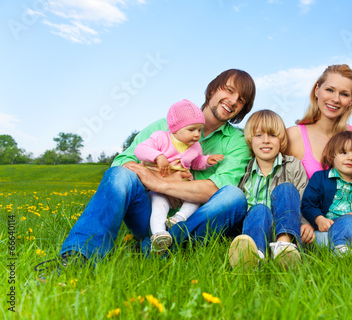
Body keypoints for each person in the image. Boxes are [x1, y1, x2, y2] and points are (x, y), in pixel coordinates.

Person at [35, 69, 256, 274]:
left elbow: (215, 189)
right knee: (120, 175)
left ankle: (156, 245)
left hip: (194, 221)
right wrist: (159, 176)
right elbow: (123, 163)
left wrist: (160, 182)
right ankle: (79, 255)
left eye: (241, 100)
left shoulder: (237, 142)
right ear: (212, 90)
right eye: (229, 90)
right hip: (148, 215)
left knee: (234, 197)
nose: (233, 101)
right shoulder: (164, 125)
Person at [286, 64, 352, 245]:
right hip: (308, 229)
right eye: (330, 90)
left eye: (344, 94)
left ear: (351, 100)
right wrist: (303, 222)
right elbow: (280, 188)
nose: (336, 99)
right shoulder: (293, 136)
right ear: (317, 90)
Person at [134, 99, 224, 254]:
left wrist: (207, 160)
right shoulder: (161, 138)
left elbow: (196, 162)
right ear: (175, 129)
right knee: (159, 206)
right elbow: (140, 150)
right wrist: (158, 156)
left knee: (195, 199)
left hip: (182, 187)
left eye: (199, 130)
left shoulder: (195, 147)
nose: (197, 134)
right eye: (192, 130)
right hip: (159, 187)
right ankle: (158, 234)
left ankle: (179, 218)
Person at [228, 110, 308, 269]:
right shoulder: (244, 170)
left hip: (286, 227)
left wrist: (306, 224)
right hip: (255, 228)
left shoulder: (293, 165)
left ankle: (284, 248)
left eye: (272, 135)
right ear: (250, 139)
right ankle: (254, 255)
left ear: (281, 140)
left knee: (286, 189)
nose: (266, 141)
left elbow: (304, 199)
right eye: (259, 135)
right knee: (259, 210)